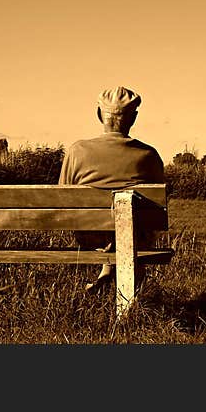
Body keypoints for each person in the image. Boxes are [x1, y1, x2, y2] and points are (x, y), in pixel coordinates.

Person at [58, 85, 165, 292]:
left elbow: (63, 196)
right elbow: (158, 205)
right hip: (136, 236)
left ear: (99, 114)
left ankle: (106, 274)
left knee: (109, 226)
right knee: (134, 224)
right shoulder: (148, 155)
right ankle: (133, 299)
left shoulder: (77, 151)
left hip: (90, 236)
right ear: (133, 118)